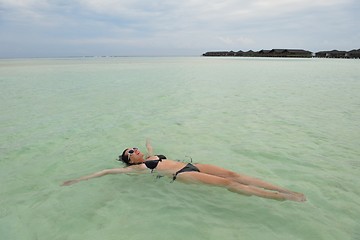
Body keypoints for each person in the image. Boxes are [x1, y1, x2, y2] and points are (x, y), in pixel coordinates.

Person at [62, 140, 306, 202]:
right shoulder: (139, 169)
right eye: (130, 151)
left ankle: (283, 188)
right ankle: (283, 198)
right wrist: (78, 180)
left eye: (134, 148)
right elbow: (106, 172)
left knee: (232, 174)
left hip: (193, 165)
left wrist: (148, 143)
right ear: (129, 160)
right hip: (183, 175)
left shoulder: (150, 156)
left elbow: (151, 148)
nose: (135, 150)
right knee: (231, 185)